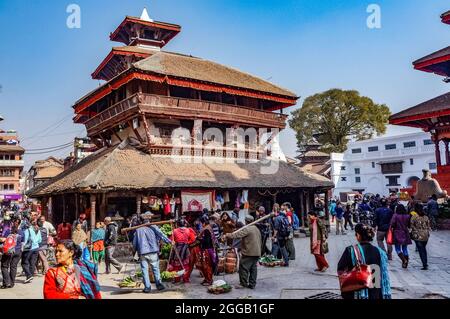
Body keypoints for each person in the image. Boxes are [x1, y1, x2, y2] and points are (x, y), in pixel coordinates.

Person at [337, 224, 391, 299]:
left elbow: (341, 269)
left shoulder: (351, 250)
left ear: (358, 235)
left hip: (356, 292)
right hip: (375, 293)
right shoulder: (380, 252)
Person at [132, 216, 172, 293]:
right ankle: (159, 285)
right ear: (149, 221)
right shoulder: (154, 227)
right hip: (153, 251)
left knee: (144, 270)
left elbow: (134, 243)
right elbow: (161, 235)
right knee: (155, 269)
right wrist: (169, 241)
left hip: (143, 252)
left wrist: (134, 251)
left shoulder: (138, 230)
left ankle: (147, 287)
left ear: (141, 222)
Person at [224, 215, 261, 289]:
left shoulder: (247, 229)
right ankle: (252, 284)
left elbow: (237, 235)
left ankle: (243, 284)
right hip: (256, 252)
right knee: (253, 268)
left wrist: (227, 235)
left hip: (249, 252)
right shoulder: (256, 229)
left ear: (246, 221)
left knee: (243, 267)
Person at [169, 219, 196, 283]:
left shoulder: (174, 231)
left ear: (178, 224)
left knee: (176, 265)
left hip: (177, 249)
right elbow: (193, 239)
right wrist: (187, 243)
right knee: (186, 265)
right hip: (185, 249)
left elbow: (171, 240)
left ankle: (177, 279)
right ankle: (185, 279)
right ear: (184, 224)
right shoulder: (188, 230)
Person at [0, 218, 23, 288]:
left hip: (9, 251)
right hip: (18, 252)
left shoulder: (8, 231)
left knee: (4, 266)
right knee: (13, 267)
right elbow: (23, 241)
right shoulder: (21, 232)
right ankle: (12, 283)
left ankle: (7, 283)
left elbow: (3, 239)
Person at [196, 216, 218, 286]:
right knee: (206, 265)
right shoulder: (209, 227)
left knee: (207, 266)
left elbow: (207, 241)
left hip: (207, 250)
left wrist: (199, 239)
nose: (201, 224)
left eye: (201, 223)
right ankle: (206, 278)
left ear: (204, 223)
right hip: (210, 249)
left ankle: (209, 279)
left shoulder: (206, 229)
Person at [390, 204, 412, 268]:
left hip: (397, 233)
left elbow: (392, 224)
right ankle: (405, 264)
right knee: (405, 249)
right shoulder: (407, 216)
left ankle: (403, 260)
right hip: (405, 233)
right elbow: (409, 225)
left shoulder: (395, 216)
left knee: (397, 249)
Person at [410, 203, 431, 270]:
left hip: (418, 235)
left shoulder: (414, 216)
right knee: (424, 249)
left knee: (421, 250)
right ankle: (425, 263)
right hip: (425, 235)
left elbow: (411, 225)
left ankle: (425, 264)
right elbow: (428, 226)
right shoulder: (426, 216)